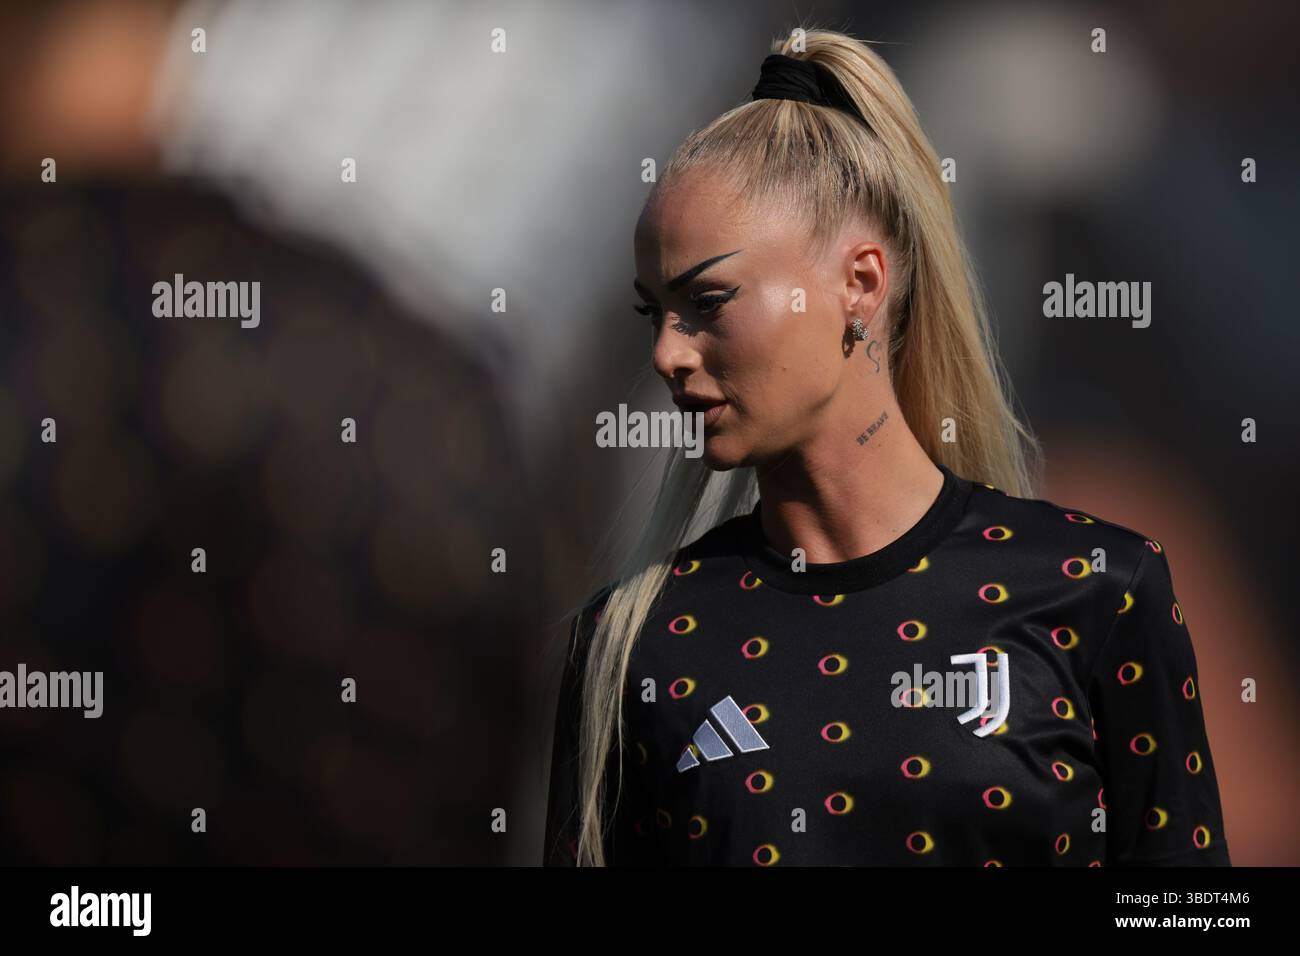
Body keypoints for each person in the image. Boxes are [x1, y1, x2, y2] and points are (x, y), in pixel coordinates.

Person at [542, 29, 1230, 866]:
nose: (668, 354)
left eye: (709, 302)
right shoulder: (632, 645)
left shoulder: (1098, 591)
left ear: (860, 284)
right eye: (655, 313)